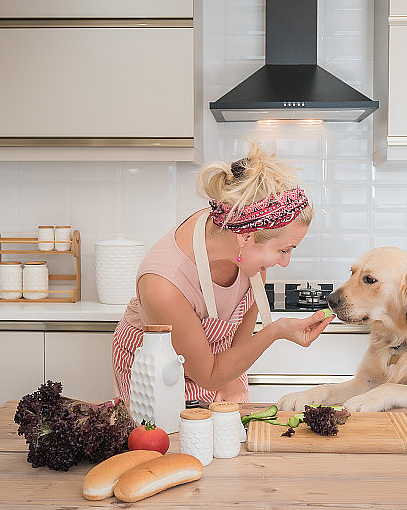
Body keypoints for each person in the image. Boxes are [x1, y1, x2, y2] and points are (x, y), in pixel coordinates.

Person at [112, 142, 334, 404]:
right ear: (246, 237)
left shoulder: (241, 237)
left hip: (219, 368)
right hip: (158, 376)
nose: (285, 262)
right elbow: (208, 373)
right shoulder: (163, 284)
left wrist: (230, 379)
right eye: (284, 250)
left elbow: (234, 350)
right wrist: (276, 331)